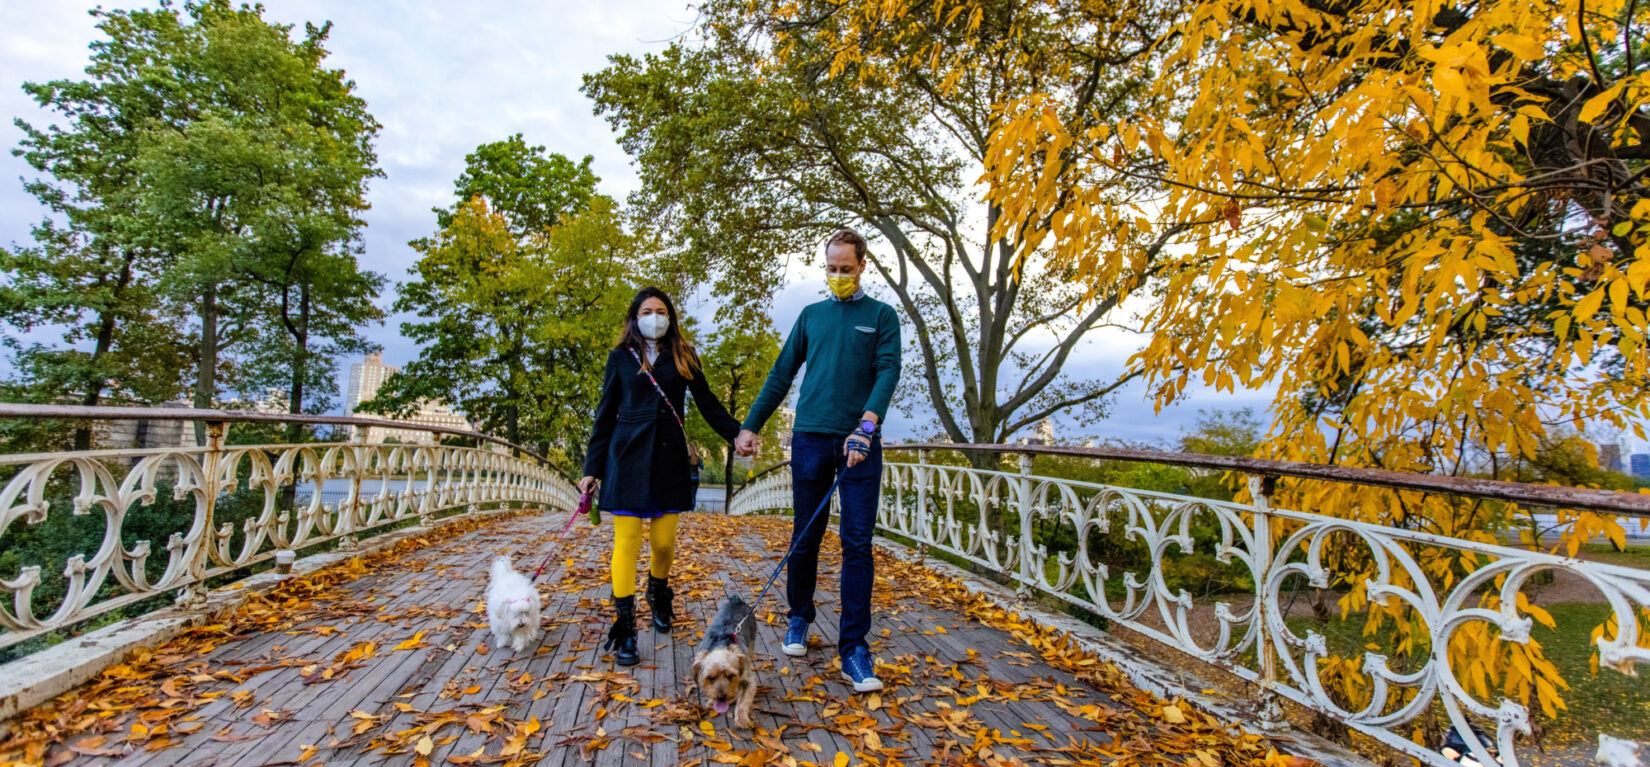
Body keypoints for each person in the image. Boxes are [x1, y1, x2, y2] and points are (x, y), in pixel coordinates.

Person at [735, 228, 901, 692]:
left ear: (863, 265)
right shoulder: (811, 316)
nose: (838, 276)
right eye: (831, 269)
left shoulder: (882, 316)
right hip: (808, 437)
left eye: (846, 269)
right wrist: (751, 424)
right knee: (805, 536)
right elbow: (782, 372)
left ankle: (854, 650)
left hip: (859, 444)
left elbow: (889, 371)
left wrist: (867, 426)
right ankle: (799, 618)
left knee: (857, 544)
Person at [582, 287, 741, 666]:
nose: (654, 316)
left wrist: (737, 433)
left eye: (661, 310)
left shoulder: (684, 355)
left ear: (670, 317)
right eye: (647, 310)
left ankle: (658, 593)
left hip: (669, 461)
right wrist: (591, 469)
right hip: (626, 459)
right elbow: (604, 415)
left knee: (665, 545)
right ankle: (625, 629)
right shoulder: (620, 358)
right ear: (635, 317)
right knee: (627, 542)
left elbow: (708, 404)